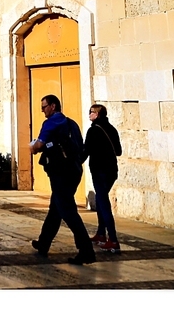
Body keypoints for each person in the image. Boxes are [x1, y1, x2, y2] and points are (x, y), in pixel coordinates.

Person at [30, 95, 96, 264]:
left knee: (67, 211)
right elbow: (81, 148)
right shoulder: (72, 123)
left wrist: (32, 147)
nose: (42, 110)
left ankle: (86, 250)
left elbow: (37, 146)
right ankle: (43, 243)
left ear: (53, 106)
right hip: (74, 170)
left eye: (44, 107)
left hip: (60, 172)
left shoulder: (52, 122)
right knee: (56, 208)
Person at [86, 103, 123, 253]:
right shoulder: (112, 129)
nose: (90, 114)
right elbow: (118, 151)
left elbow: (85, 151)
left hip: (99, 171)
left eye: (92, 112)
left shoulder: (93, 130)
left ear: (98, 114)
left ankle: (113, 239)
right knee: (102, 200)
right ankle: (101, 233)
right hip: (111, 171)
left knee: (103, 202)